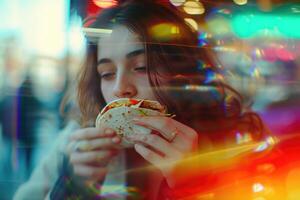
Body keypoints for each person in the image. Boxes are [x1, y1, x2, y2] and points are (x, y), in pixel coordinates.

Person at [14, 1, 268, 199]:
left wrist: (193, 186)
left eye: (142, 67)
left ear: (182, 71)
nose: (120, 88)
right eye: (107, 73)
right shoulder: (75, 144)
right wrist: (72, 187)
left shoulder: (237, 144)